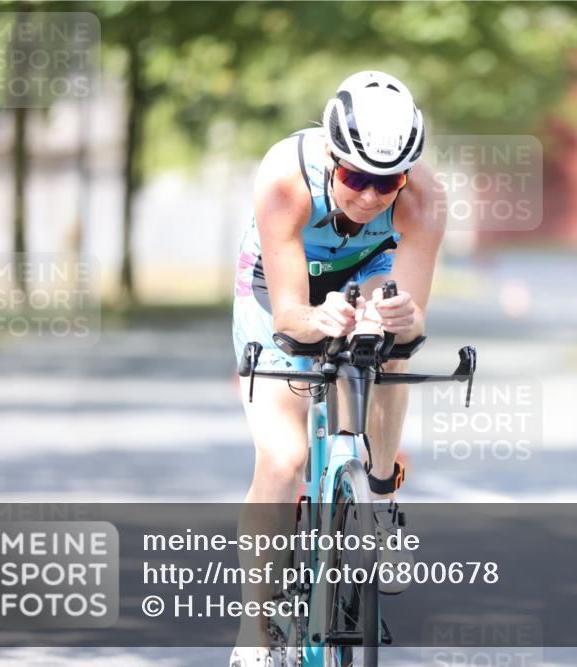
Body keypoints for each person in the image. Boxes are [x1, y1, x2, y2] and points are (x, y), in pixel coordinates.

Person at [229, 71, 444, 667]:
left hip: (369, 267)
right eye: (355, 178)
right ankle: (256, 626)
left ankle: (374, 501)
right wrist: (314, 320)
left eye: (387, 182)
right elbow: (291, 316)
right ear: (331, 156)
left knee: (390, 345)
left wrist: (401, 316)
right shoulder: (284, 177)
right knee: (284, 458)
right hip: (283, 282)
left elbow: (416, 324)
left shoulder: (425, 197)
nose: (372, 196)